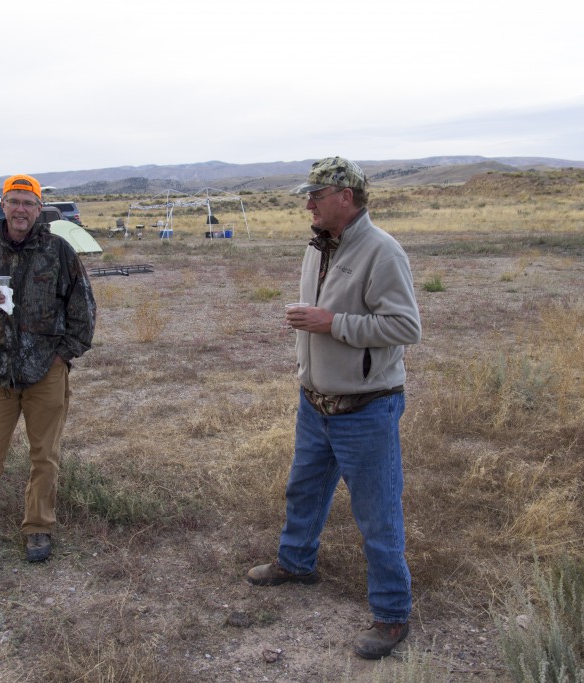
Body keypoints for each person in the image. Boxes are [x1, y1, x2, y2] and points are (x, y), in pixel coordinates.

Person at [246, 157, 422, 659]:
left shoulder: (382, 251)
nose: (307, 204)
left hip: (366, 408)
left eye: (315, 195)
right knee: (303, 489)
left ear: (345, 197)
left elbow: (406, 328)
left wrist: (332, 323)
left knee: (377, 515)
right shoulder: (320, 246)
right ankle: (296, 562)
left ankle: (392, 614)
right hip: (316, 402)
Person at [0, 174, 96, 574]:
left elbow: (84, 309)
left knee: (44, 456)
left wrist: (63, 357)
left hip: (46, 372)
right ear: (2, 205)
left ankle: (38, 529)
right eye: (14, 201)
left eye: (29, 202)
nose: (21, 209)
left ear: (39, 207)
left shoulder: (59, 251)